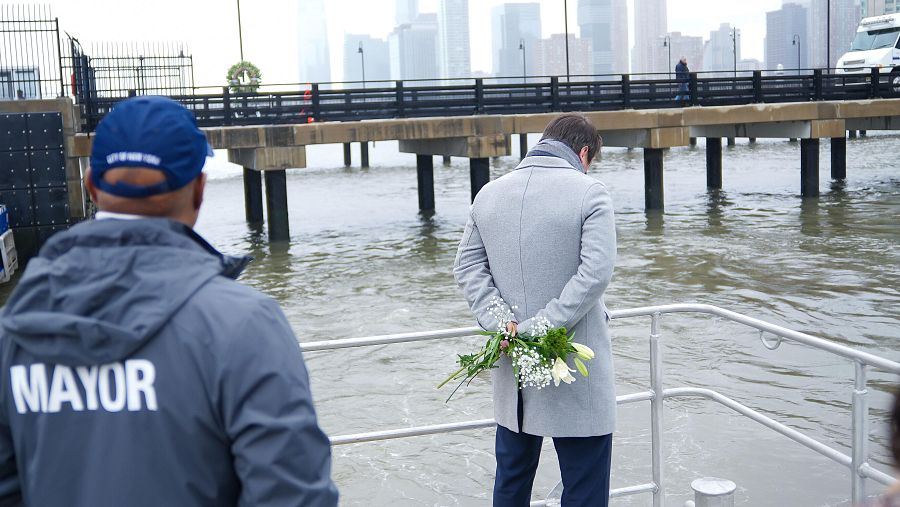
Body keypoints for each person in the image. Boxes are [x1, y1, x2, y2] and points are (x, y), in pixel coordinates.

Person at [0, 96, 339, 506]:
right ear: (199, 190)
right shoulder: (244, 325)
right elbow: (291, 494)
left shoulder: (15, 329)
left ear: (92, 185)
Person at [454, 113, 616, 507]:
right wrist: (541, 326)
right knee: (584, 488)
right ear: (583, 153)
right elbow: (594, 274)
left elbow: (467, 266)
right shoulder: (590, 192)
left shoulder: (489, 194)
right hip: (576, 369)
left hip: (514, 371)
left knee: (511, 482)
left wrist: (504, 323)